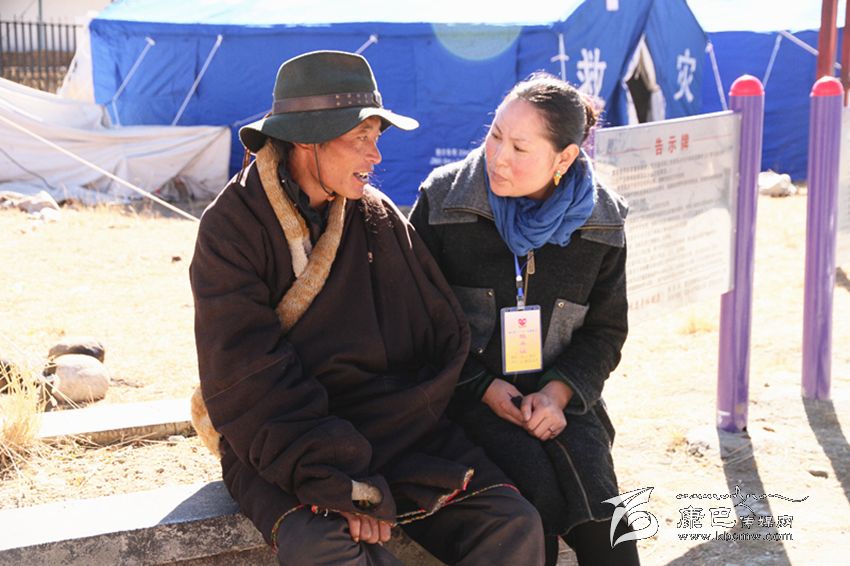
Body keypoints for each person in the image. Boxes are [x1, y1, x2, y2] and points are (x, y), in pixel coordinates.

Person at [188, 50, 544, 566]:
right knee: (325, 544)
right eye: (360, 138)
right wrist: (340, 480)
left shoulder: (377, 217)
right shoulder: (232, 229)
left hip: (387, 427)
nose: (375, 156)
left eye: (377, 137)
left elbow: (437, 336)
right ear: (307, 138)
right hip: (282, 438)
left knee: (510, 522)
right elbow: (246, 375)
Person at [409, 73, 640, 565]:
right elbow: (414, 320)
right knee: (536, 504)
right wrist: (482, 387)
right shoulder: (444, 202)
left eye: (519, 148)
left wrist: (558, 395)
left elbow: (605, 332)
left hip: (561, 400)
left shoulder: (602, 221)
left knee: (606, 519)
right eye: (495, 135)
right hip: (465, 396)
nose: (498, 157)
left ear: (564, 158)